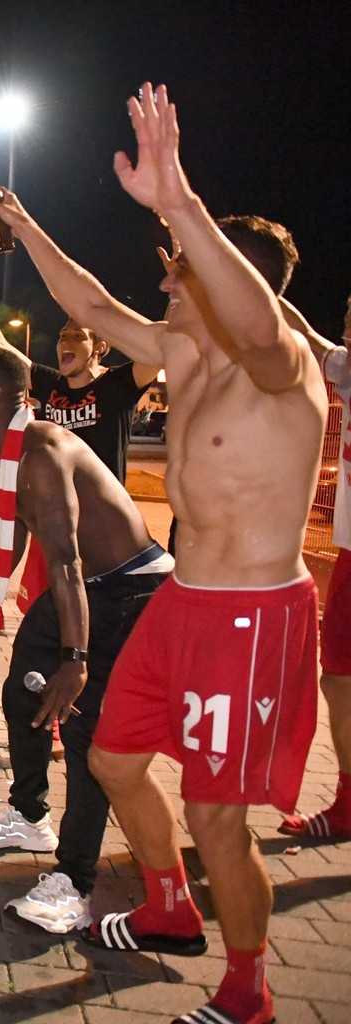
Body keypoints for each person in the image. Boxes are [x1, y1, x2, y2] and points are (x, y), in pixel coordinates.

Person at [0, 83, 325, 1024]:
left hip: (251, 617)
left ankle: (247, 989)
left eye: (182, 270)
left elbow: (256, 320)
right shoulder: (185, 353)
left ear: (231, 279)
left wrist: (179, 199)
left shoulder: (279, 366)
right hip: (183, 598)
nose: (168, 281)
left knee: (219, 817)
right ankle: (170, 909)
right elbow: (89, 298)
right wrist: (25, 220)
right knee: (113, 757)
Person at [0, 348, 171, 934]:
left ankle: (75, 883)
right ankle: (28, 815)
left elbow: (67, 562)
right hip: (88, 587)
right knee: (22, 693)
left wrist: (75, 660)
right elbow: (22, 531)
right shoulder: (12, 452)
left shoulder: (41, 452)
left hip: (127, 592)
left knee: (82, 731)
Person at [0, 265, 161, 489]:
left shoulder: (118, 384)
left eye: (78, 336)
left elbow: (160, 350)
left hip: (102, 515)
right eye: (63, 336)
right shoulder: (51, 384)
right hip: (56, 510)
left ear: (99, 348)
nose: (66, 342)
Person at [280, 292, 351, 840]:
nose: (347, 323)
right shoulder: (345, 369)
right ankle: (347, 803)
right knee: (339, 678)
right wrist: (258, 279)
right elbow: (303, 328)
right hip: (348, 554)